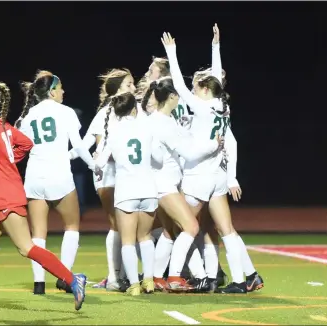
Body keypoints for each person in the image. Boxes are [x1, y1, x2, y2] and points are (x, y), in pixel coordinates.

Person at [0, 81, 87, 315]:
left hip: (5, 196)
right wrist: (5, 165)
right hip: (2, 193)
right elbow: (25, 144)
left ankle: (73, 280)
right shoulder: (1, 125)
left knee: (26, 248)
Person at [162, 30, 261, 294]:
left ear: (205, 89)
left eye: (198, 86)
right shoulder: (223, 107)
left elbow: (181, 87)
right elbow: (216, 79)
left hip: (199, 176)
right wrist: (216, 46)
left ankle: (174, 277)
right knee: (226, 229)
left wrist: (172, 52)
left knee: (184, 226)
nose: (193, 88)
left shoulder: (203, 106)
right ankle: (240, 281)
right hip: (218, 175)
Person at [15, 70, 96, 295]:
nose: (63, 91)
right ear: (51, 91)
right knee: (71, 226)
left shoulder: (28, 115)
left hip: (33, 176)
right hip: (59, 175)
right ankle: (66, 278)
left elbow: (18, 147)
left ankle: (39, 284)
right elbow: (79, 146)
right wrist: (93, 166)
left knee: (38, 233)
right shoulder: (66, 112)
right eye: (59, 87)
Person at [141, 77, 223, 292]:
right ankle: (175, 277)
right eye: (178, 94)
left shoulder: (156, 119)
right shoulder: (164, 123)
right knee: (191, 226)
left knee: (170, 232)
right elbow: (188, 152)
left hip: (159, 183)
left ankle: (157, 277)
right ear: (172, 97)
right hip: (164, 185)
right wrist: (213, 145)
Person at [70, 69, 136, 291]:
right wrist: (64, 157)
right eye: (129, 85)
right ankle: (115, 277)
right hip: (108, 174)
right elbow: (84, 144)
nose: (133, 88)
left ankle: (125, 275)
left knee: (133, 224)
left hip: (128, 173)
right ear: (117, 89)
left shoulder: (134, 112)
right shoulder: (106, 113)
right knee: (118, 224)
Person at [94, 92, 163, 296]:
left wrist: (100, 158)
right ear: (135, 108)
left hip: (126, 191)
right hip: (149, 189)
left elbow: (99, 164)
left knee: (127, 241)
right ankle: (148, 281)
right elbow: (158, 160)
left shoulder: (113, 132)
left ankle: (134, 285)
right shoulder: (147, 127)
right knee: (145, 237)